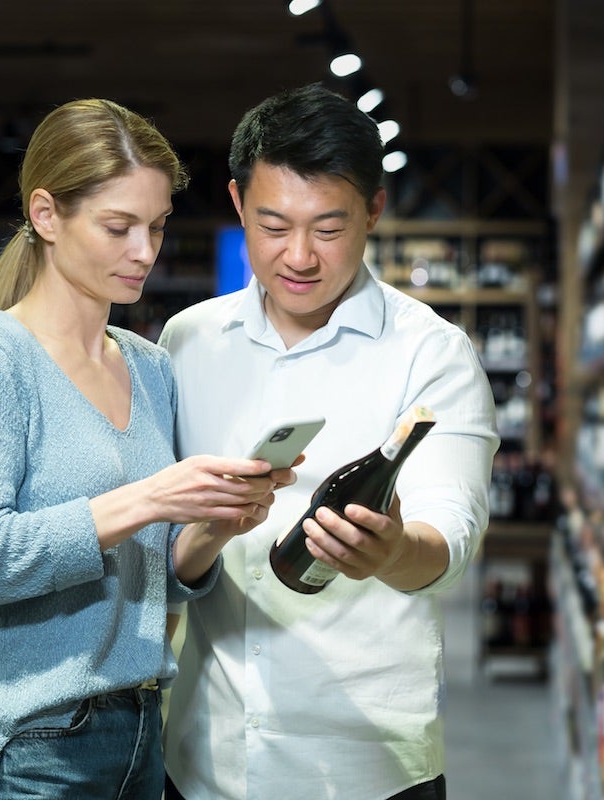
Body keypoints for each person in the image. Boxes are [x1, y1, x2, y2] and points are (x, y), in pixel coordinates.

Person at [0, 98, 294, 800]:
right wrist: (148, 498)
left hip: (142, 735)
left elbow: (152, 572)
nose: (144, 252)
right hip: (32, 750)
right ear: (46, 215)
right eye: (118, 227)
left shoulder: (149, 367)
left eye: (156, 227)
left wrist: (212, 527)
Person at [159, 83, 500, 800]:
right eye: (273, 225)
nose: (300, 257)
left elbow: (450, 536)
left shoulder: (431, 354)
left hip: (367, 769)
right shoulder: (187, 341)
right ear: (237, 204)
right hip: (202, 758)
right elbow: (163, 549)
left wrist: (394, 552)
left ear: (375, 209)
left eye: (329, 226)